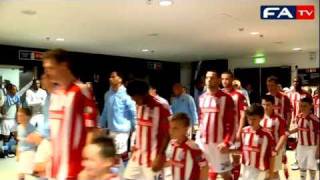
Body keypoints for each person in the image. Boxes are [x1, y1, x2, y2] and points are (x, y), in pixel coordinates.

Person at [42, 48, 98, 179]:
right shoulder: (55, 93)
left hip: (75, 169)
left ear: (64, 65)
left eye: (50, 68)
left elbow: (92, 130)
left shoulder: (82, 91)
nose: (47, 73)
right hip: (54, 169)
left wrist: (87, 166)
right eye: (45, 69)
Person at [123, 80, 170, 180]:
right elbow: (140, 127)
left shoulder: (161, 107)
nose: (134, 101)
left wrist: (160, 156)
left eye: (135, 98)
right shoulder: (138, 106)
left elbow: (168, 133)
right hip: (137, 156)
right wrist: (135, 144)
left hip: (153, 158)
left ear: (143, 94)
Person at [197, 70, 235, 180]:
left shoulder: (226, 98)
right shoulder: (201, 98)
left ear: (218, 80)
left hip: (219, 144)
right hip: (203, 143)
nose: (209, 79)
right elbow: (201, 118)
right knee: (202, 171)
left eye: (212, 77)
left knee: (225, 175)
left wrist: (227, 142)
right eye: (207, 77)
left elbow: (232, 123)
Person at [99, 71, 136, 164]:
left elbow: (133, 112)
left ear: (120, 79)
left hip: (123, 130)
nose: (110, 79)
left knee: (116, 154)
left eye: (113, 77)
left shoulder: (127, 94)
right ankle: (126, 171)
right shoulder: (107, 94)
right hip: (111, 130)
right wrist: (101, 125)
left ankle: (122, 174)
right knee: (117, 154)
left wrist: (136, 128)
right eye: (110, 77)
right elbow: (105, 111)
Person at [221, 71, 248, 180]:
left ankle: (235, 177)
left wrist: (239, 131)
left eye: (227, 79)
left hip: (235, 131)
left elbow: (243, 115)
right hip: (222, 132)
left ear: (232, 79)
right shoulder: (219, 94)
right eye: (222, 79)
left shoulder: (239, 95)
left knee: (236, 158)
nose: (224, 81)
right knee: (222, 157)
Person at [238, 104, 276, 180]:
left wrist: (271, 173)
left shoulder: (267, 135)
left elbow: (272, 155)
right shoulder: (244, 131)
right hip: (246, 169)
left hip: (260, 170)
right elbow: (241, 150)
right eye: (249, 119)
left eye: (254, 119)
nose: (251, 122)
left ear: (261, 118)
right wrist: (228, 151)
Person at [166, 113, 208, 180]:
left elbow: (204, 165)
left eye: (175, 128)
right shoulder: (173, 144)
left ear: (185, 129)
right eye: (170, 127)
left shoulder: (192, 147)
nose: (171, 131)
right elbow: (173, 162)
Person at [287, 97, 319, 180]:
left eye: (305, 106)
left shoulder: (314, 119)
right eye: (301, 106)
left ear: (310, 106)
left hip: (312, 147)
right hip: (301, 146)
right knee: (302, 166)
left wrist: (318, 150)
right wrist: (289, 132)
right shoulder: (299, 117)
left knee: (312, 167)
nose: (302, 108)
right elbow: (299, 128)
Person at [260, 95, 288, 179]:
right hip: (261, 150)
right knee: (263, 173)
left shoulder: (279, 119)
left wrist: (277, 150)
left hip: (274, 151)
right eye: (263, 104)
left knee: (274, 173)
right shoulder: (258, 117)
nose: (265, 107)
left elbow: (283, 135)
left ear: (273, 105)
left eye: (268, 105)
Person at [16, 107, 37, 180]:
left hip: (30, 153)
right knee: (20, 174)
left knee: (30, 173)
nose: (18, 118)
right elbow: (19, 143)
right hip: (22, 153)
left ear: (28, 117)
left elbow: (35, 143)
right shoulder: (18, 127)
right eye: (18, 116)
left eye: (21, 116)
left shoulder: (32, 128)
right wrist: (17, 153)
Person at [0, 83, 21, 157]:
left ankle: (18, 152)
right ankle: (5, 153)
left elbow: (18, 107)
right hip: (5, 121)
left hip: (13, 121)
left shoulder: (17, 97)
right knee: (5, 139)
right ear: (9, 90)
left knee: (17, 137)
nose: (15, 91)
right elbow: (0, 107)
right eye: (14, 89)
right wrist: (1, 115)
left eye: (16, 89)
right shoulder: (4, 98)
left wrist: (18, 116)